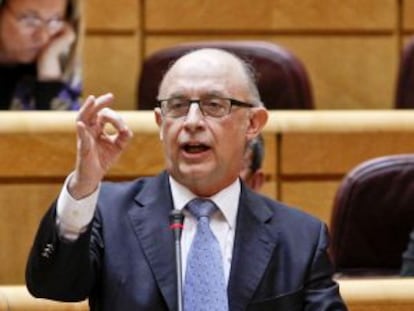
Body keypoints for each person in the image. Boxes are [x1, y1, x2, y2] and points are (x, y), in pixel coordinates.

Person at [26, 48, 347, 310]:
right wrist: (84, 184)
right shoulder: (108, 214)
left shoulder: (300, 239)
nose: (192, 121)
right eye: (177, 107)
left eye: (214, 105)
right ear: (160, 122)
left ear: (253, 123)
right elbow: (52, 285)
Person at [0, 0, 82, 110]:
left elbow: (62, 125)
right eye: (30, 20)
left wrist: (48, 75)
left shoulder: (63, 66)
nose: (43, 37)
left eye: (55, 21)